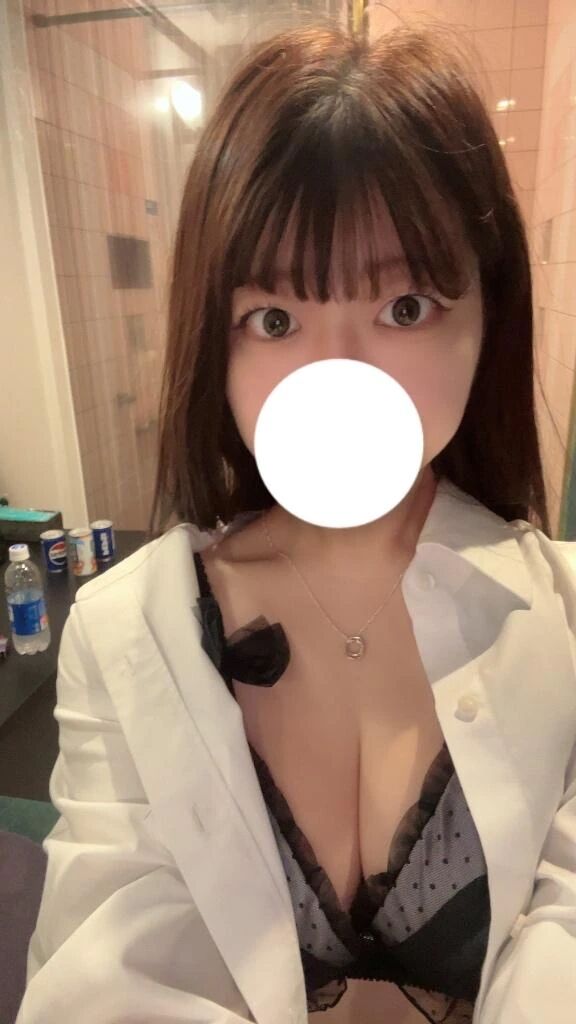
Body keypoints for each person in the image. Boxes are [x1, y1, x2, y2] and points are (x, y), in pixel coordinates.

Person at [16, 20, 576, 1024]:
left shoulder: (567, 617)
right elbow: (108, 978)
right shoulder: (129, 632)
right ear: (217, 343)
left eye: (405, 307)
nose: (340, 376)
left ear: (487, 318)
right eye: (275, 319)